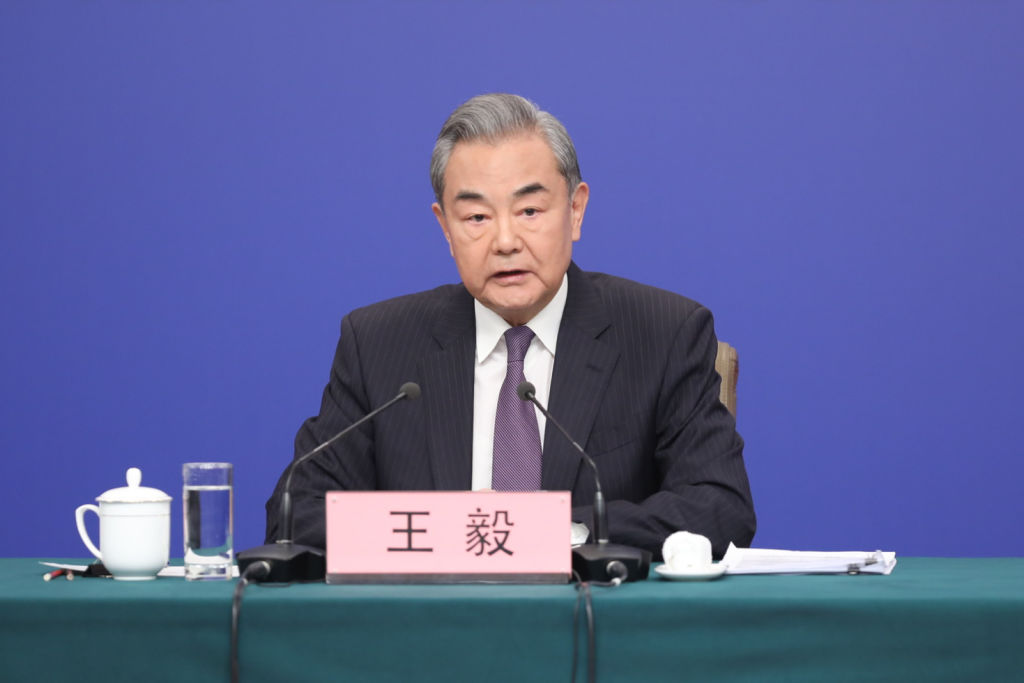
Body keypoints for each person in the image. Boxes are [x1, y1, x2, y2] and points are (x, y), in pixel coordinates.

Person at [265, 93, 755, 558]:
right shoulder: (378, 345)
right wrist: (444, 533)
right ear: (445, 229)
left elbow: (720, 508)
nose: (504, 240)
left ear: (575, 210)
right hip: (428, 634)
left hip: (593, 631)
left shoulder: (663, 334)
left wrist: (552, 532)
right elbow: (296, 515)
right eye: (476, 216)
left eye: (529, 211)